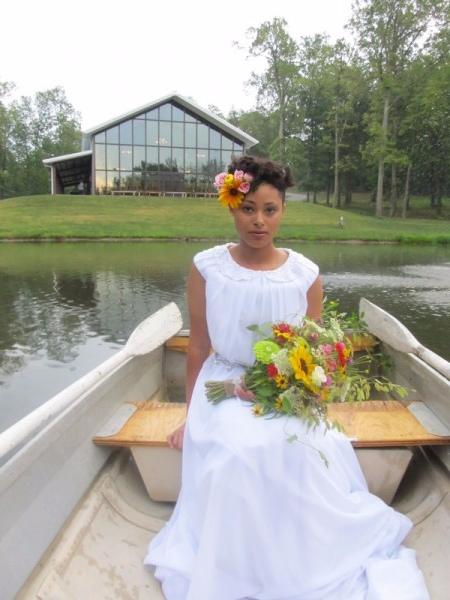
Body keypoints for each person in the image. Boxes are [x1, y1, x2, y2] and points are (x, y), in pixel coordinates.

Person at [144, 156, 429, 600]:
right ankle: (239, 568)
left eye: (270, 209)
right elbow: (199, 345)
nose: (258, 220)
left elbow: (313, 353)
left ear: (283, 211)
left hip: (284, 386)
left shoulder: (305, 275)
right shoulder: (207, 268)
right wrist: (190, 415)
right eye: (248, 208)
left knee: (305, 448)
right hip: (221, 384)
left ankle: (299, 560)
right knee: (236, 452)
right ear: (231, 207)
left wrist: (307, 397)